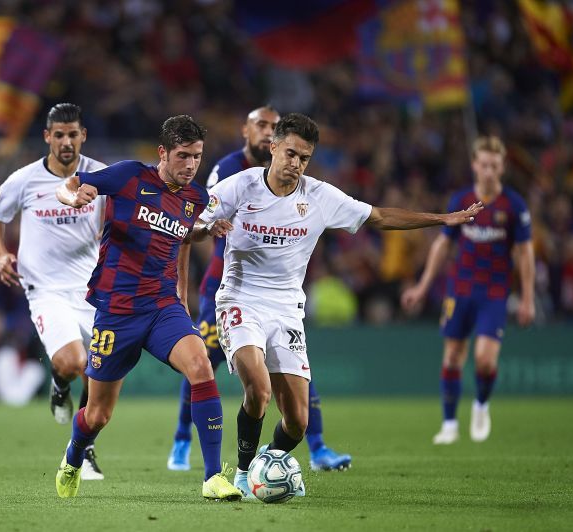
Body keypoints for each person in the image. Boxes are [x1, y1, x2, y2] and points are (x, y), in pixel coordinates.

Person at [191, 113, 482, 498]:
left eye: (304, 158)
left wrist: (442, 218)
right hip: (240, 299)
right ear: (273, 147)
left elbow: (378, 216)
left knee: (297, 421)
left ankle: (269, 462)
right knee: (258, 389)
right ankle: (244, 474)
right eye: (291, 153)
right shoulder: (238, 187)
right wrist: (206, 229)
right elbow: (191, 225)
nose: (295, 164)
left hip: (287, 309)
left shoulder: (319, 197)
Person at [53, 115, 242, 501]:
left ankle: (211, 478)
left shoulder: (196, 198)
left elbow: (182, 235)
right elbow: (68, 184)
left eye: (197, 157)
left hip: (161, 306)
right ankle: (73, 457)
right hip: (116, 311)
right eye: (183, 156)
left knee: (201, 365)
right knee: (98, 415)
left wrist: (206, 232)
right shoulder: (128, 177)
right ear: (163, 153)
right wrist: (75, 197)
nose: (191, 165)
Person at [167, 106, 351, 473]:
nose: (267, 132)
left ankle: (315, 447)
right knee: (205, 362)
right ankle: (182, 440)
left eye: (272, 126)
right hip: (226, 288)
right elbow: (191, 227)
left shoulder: (304, 188)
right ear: (248, 132)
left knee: (293, 377)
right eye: (261, 126)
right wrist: (181, 287)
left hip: (280, 302)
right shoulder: (230, 172)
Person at [0, 103, 105, 480]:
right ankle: (59, 383)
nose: (66, 141)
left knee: (100, 371)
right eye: (59, 134)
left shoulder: (100, 176)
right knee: (74, 363)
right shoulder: (24, 180)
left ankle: (84, 452)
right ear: (47, 137)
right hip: (45, 288)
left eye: (73, 134)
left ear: (82, 135)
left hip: (90, 288)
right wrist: (1, 253)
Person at [401, 136, 535, 445]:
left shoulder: (513, 206)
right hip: (460, 289)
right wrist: (422, 287)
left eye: (494, 165)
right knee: (452, 358)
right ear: (475, 165)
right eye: (484, 164)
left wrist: (527, 298)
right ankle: (449, 424)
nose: (488, 170)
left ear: (502, 168)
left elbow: (525, 254)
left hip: (494, 292)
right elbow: (443, 244)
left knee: (486, 360)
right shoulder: (461, 200)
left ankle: (481, 405)